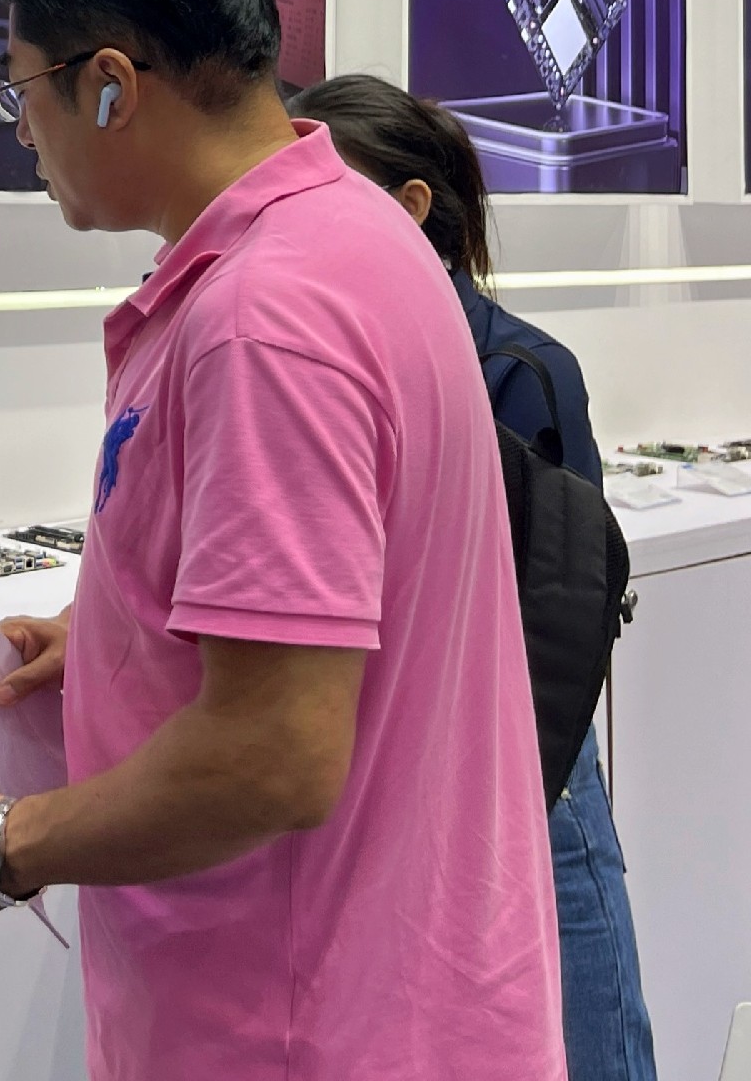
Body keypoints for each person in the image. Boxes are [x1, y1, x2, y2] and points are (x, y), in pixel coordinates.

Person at [0, 0, 564, 1081]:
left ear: (111, 84)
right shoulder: (356, 234)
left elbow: (274, 752)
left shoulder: (266, 319)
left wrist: (11, 839)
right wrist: (120, 638)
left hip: (303, 1029)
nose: (22, 132)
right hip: (395, 998)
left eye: (23, 91)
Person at [288, 73, 657, 1081]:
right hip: (397, 746)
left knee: (586, 1017)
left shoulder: (523, 370)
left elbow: (558, 608)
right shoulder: (328, 356)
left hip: (525, 749)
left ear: (412, 206)